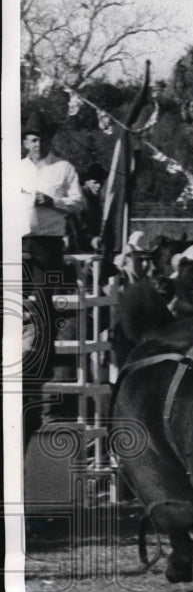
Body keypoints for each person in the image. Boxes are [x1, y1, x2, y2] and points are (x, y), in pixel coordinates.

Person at [21, 109, 85, 444]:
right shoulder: (15, 169)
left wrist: (53, 200)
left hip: (47, 243)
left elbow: (79, 204)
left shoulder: (63, 168)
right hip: (16, 241)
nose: (37, 143)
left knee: (45, 308)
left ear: (49, 140)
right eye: (32, 138)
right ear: (24, 140)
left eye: (42, 138)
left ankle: (41, 367)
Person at [68, 162, 108, 254]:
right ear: (87, 182)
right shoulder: (80, 200)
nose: (99, 186)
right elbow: (79, 228)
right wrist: (91, 239)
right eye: (95, 182)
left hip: (91, 245)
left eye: (101, 182)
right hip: (78, 247)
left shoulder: (95, 200)